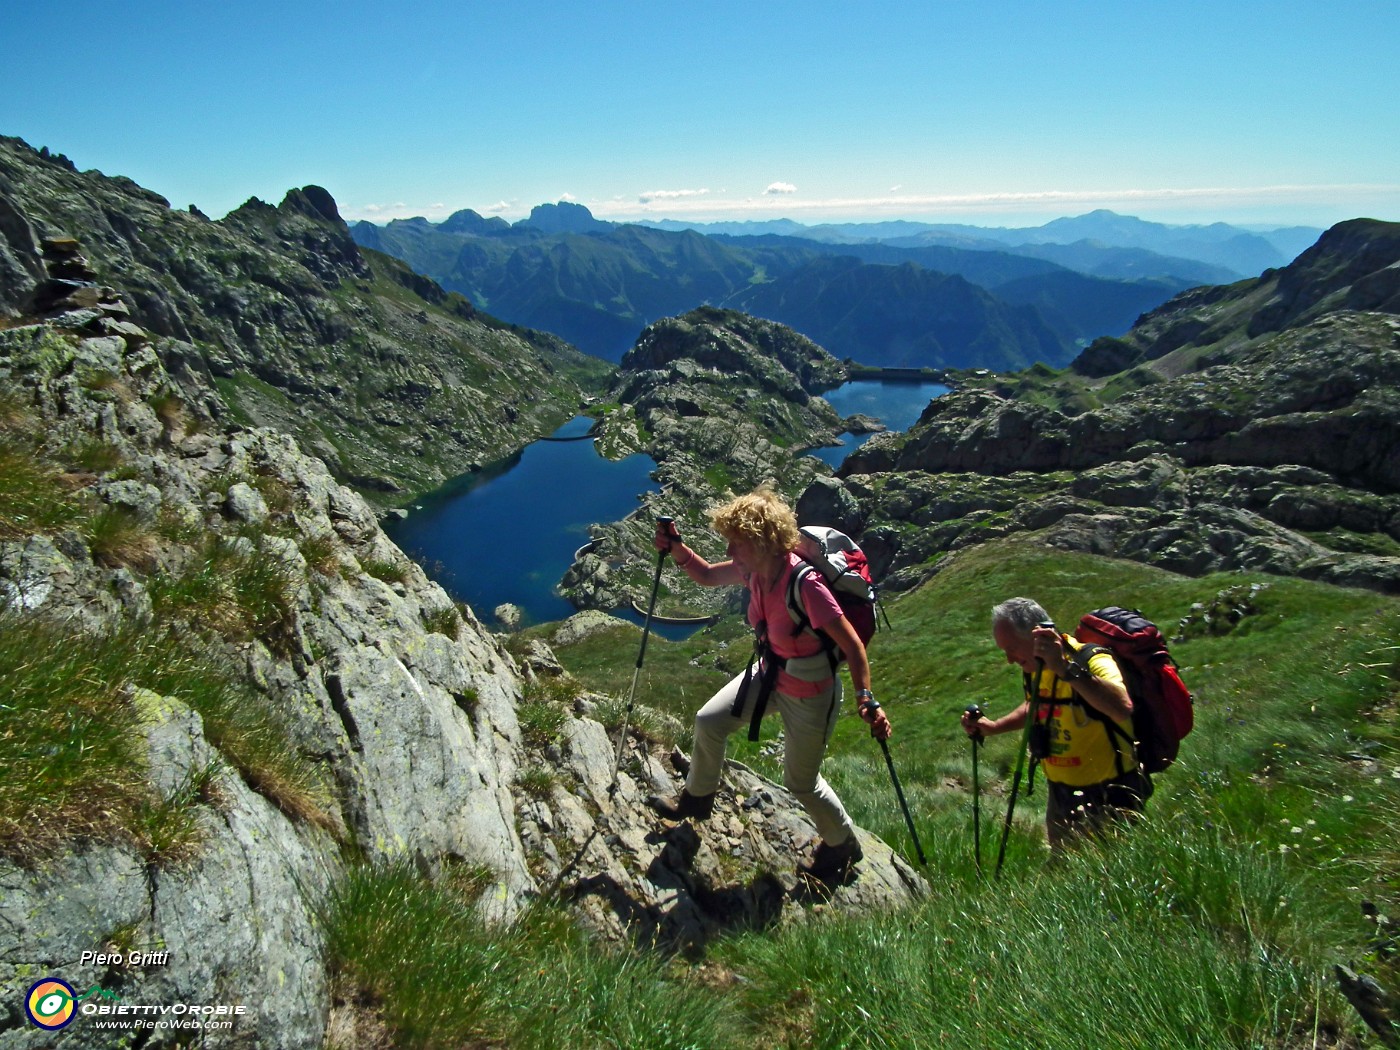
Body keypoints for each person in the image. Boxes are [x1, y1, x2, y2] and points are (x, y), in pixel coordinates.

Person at [646, 487, 892, 882]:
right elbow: (707, 575)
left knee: (800, 781)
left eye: (736, 541)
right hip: (772, 673)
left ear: (760, 542)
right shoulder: (753, 569)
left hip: (812, 694)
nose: (730, 548)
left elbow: (852, 645)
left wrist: (866, 698)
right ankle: (697, 799)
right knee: (709, 721)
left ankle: (841, 844)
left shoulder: (806, 584)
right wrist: (676, 548)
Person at [961, 596, 1151, 850]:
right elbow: (1037, 706)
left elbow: (1121, 707)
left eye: (1012, 649)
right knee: (1065, 874)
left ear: (1037, 635)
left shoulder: (1091, 660)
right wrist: (995, 727)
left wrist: (1064, 668)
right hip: (1060, 793)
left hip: (1109, 794)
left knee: (1109, 875)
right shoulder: (1035, 670)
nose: (1009, 659)